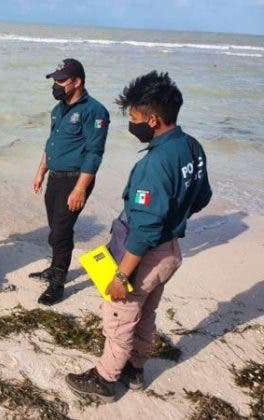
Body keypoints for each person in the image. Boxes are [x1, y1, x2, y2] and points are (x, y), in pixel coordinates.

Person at [65, 71, 212, 402]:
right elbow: (201, 197)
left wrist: (121, 275)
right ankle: (135, 370)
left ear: (153, 119)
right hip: (171, 249)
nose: (131, 123)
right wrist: (173, 215)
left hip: (144, 254)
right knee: (146, 315)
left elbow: (144, 230)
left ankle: (105, 380)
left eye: (133, 116)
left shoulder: (155, 164)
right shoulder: (192, 147)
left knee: (121, 314)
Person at [30, 58, 110, 305]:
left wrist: (80, 189)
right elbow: (51, 142)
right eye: (54, 79)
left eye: (61, 80)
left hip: (75, 180)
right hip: (55, 178)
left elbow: (94, 153)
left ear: (77, 82)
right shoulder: (59, 109)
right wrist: (40, 170)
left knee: (61, 233)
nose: (56, 84)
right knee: (55, 229)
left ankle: (58, 284)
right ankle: (54, 268)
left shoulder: (94, 111)